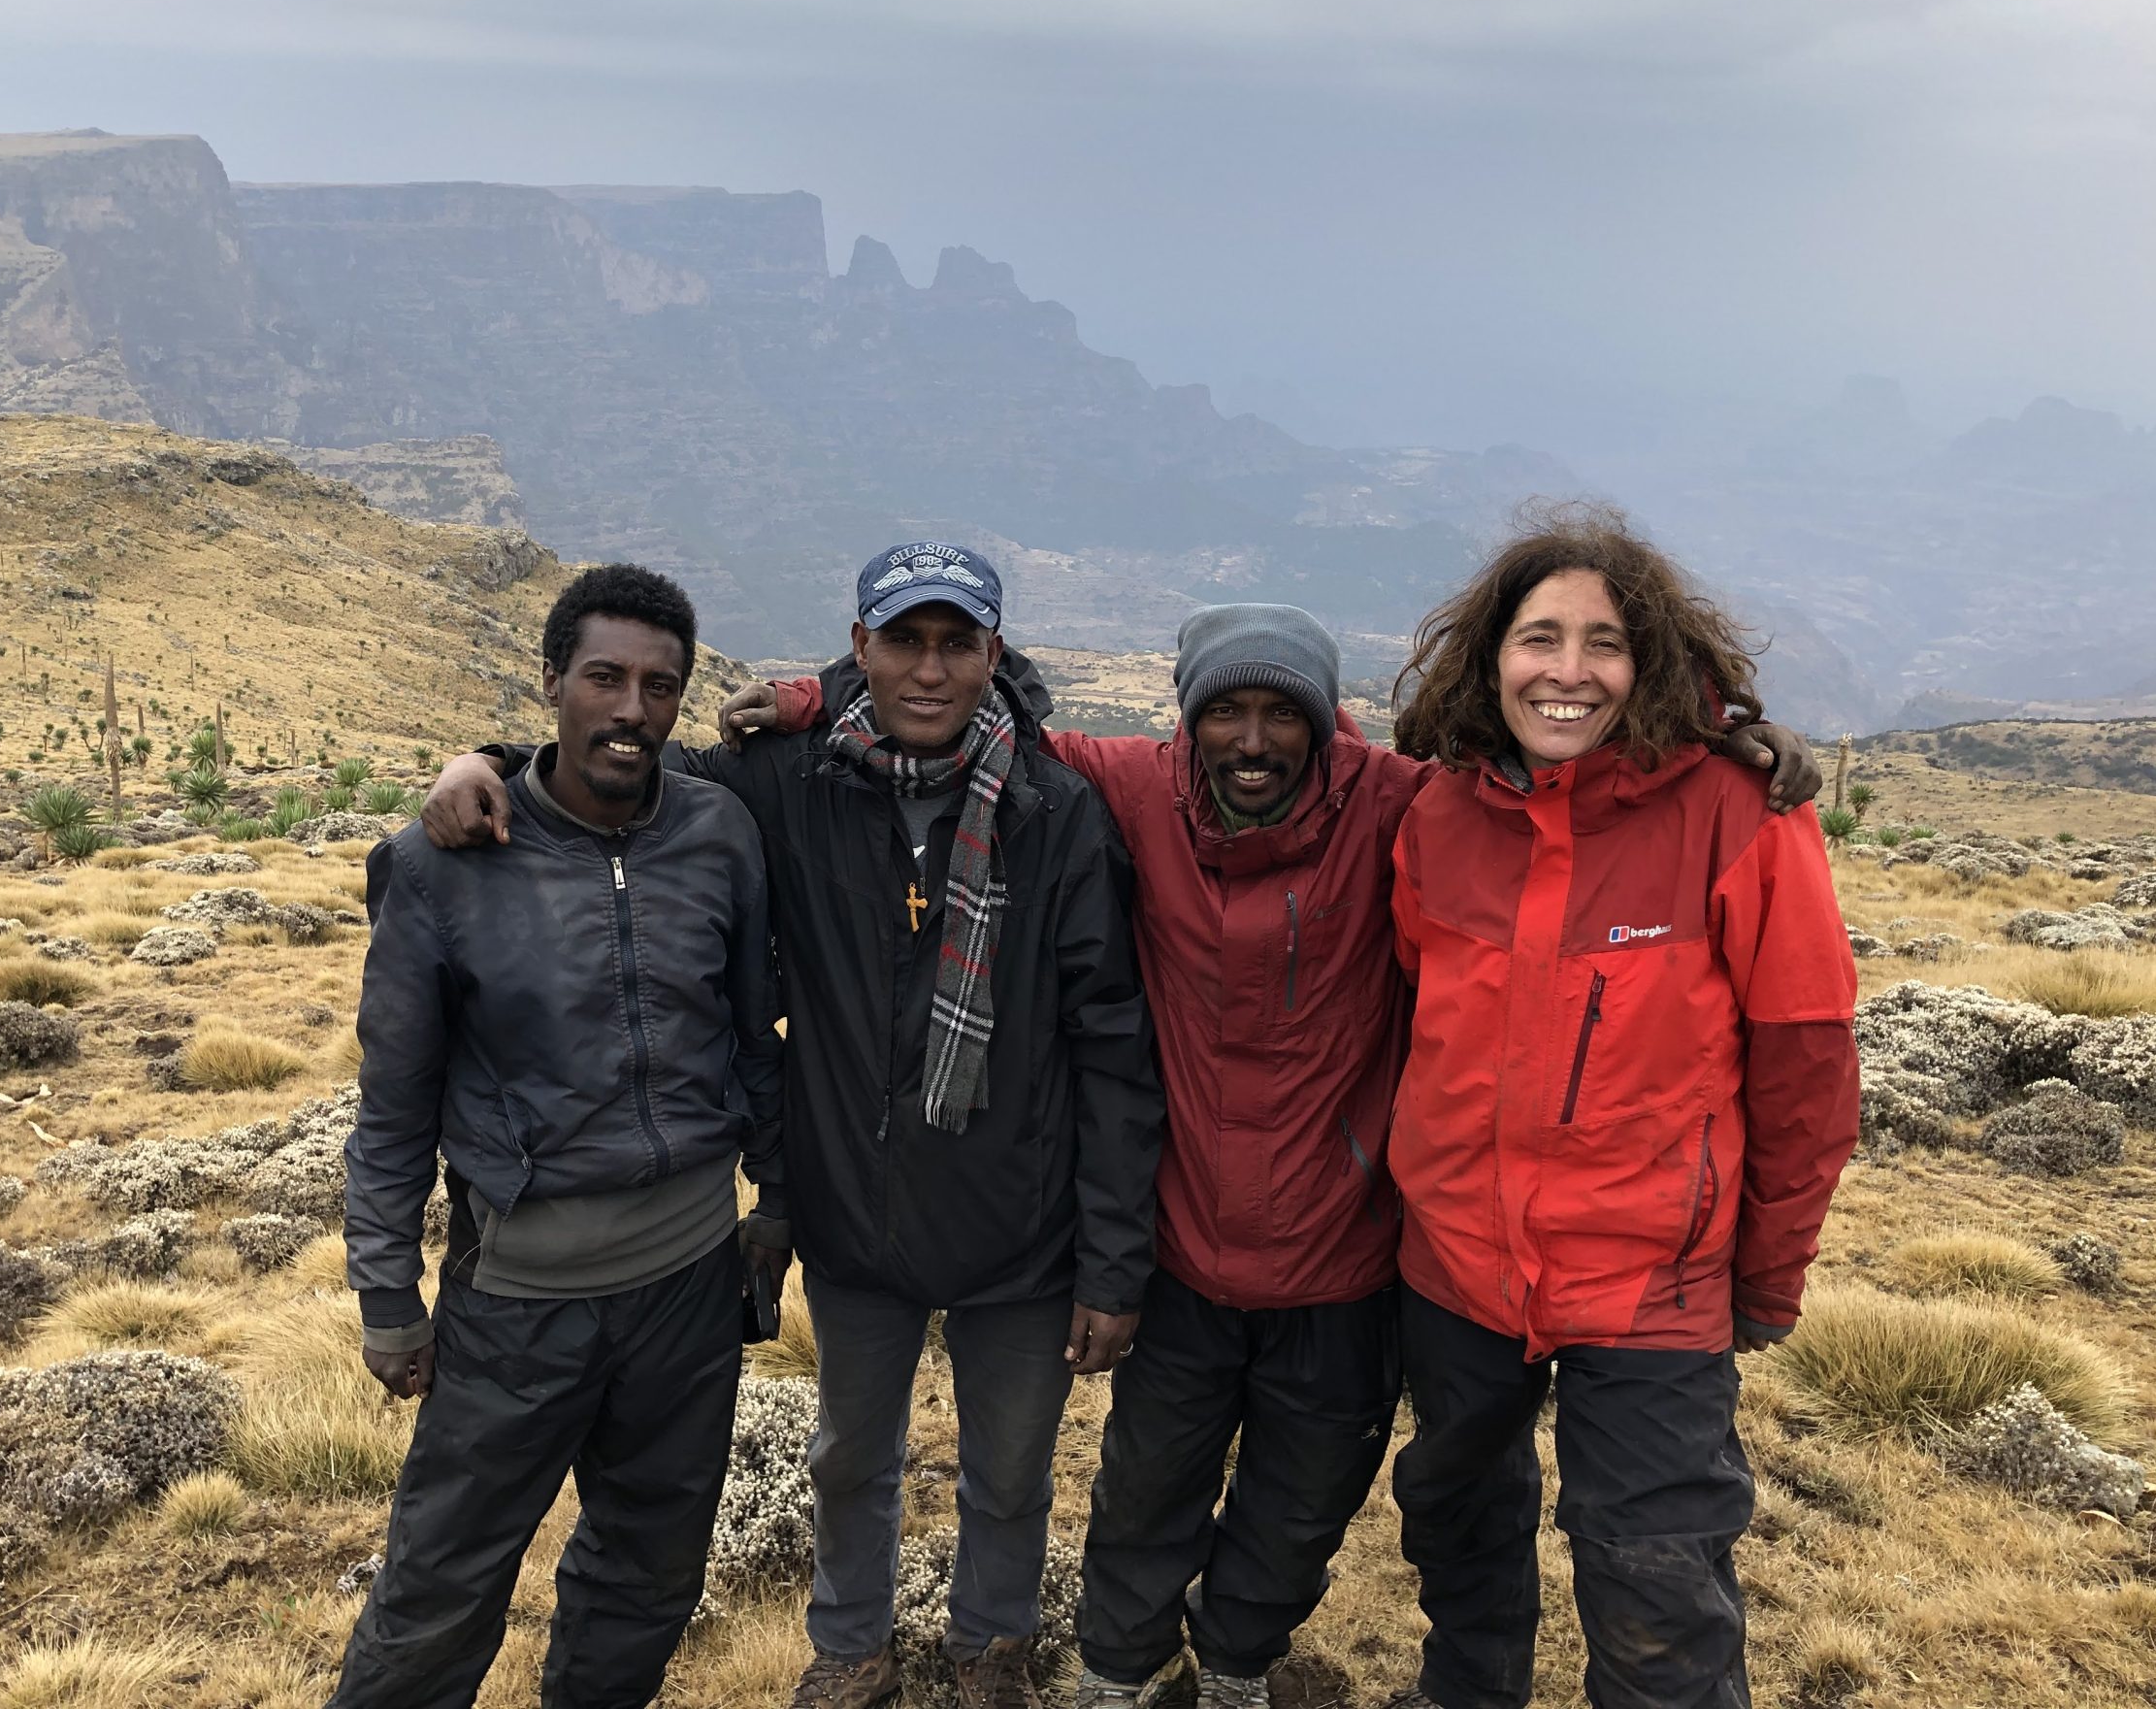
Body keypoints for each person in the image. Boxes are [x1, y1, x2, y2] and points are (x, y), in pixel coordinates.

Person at [722, 600, 1821, 1709]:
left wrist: (1713, 732)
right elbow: (965, 707)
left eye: (1280, 714)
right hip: (1186, 1240)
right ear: (1186, 722)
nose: (1252, 740)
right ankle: (1116, 1670)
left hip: (1342, 1248)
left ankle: (1240, 1663)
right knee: (1147, 1484)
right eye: (1225, 712)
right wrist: (821, 695)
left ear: (1326, 725)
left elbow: (1535, 778)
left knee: (1305, 1498)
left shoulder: (1400, 802)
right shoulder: (1136, 789)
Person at [420, 541, 1165, 1709]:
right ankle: (849, 1650)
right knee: (848, 1460)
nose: (928, 670)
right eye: (903, 641)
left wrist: (1114, 1259)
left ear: (992, 655)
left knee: (1010, 1471)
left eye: (955, 643)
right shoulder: (786, 781)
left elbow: (1114, 1049)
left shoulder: (1054, 811)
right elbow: (626, 764)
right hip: (853, 1218)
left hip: (1022, 1229)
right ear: (858, 648)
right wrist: (491, 761)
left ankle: (989, 1650)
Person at [1380, 509, 1861, 1709]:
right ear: (1490, 657)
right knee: (1455, 1525)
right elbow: (1411, 1013)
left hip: (1653, 1274)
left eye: (1603, 642)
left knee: (1655, 1582)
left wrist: (1769, 1272)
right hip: (1458, 1265)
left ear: (1648, 661)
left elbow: (1806, 1068)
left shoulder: (1740, 814)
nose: (1569, 669)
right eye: (1539, 636)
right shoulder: (1438, 817)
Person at [329, 563, 788, 1709]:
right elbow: (394, 1106)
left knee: (648, 1576)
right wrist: (388, 1296)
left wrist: (775, 1199)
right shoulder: (443, 863)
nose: (631, 709)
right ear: (549, 684)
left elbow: (751, 1036)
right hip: (518, 1306)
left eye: (659, 686)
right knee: (439, 1590)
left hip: (688, 1291)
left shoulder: (717, 833)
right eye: (604, 678)